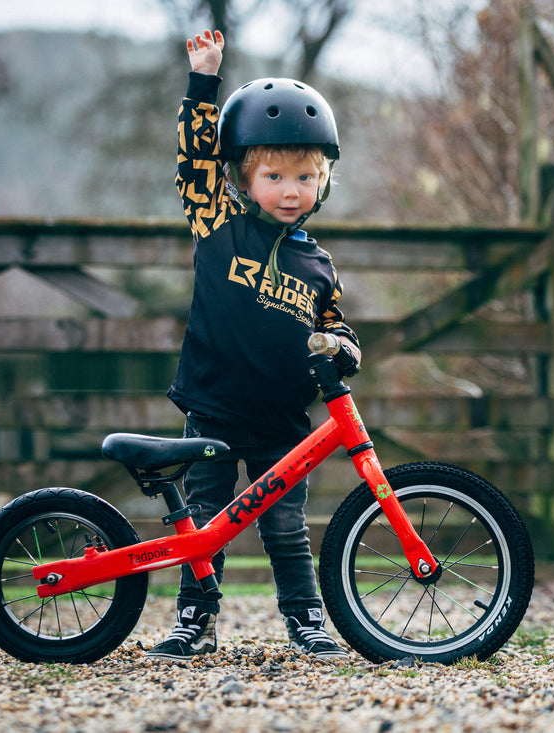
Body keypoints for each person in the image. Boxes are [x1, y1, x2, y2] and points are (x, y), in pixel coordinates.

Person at [147, 29, 361, 661]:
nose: (290, 189)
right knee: (203, 524)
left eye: (304, 176)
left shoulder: (319, 264)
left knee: (287, 528)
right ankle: (194, 618)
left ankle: (305, 618)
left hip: (281, 421)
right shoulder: (218, 225)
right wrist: (203, 80)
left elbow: (336, 323)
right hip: (212, 406)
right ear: (245, 175)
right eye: (274, 175)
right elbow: (194, 162)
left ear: (322, 182)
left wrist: (342, 347)